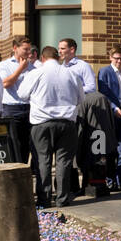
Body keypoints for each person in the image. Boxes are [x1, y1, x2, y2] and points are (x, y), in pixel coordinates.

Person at [18, 45, 81, 208]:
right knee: (64, 162)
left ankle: (44, 199)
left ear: (42, 58)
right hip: (67, 122)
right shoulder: (71, 74)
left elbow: (22, 95)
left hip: (42, 123)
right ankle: (62, 198)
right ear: (58, 57)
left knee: (42, 161)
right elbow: (81, 98)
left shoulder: (36, 73)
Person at [97, 47, 121, 191]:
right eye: (116, 58)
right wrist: (114, 108)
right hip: (112, 114)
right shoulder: (105, 72)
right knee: (111, 150)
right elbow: (103, 93)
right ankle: (111, 181)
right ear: (110, 57)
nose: (119, 61)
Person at [0, 37, 37, 164]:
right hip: (12, 108)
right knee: (13, 142)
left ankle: (24, 169)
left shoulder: (33, 68)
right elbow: (6, 83)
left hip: (29, 107)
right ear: (15, 48)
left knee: (27, 143)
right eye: (25, 49)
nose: (28, 53)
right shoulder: (4, 65)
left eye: (29, 50)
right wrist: (21, 68)